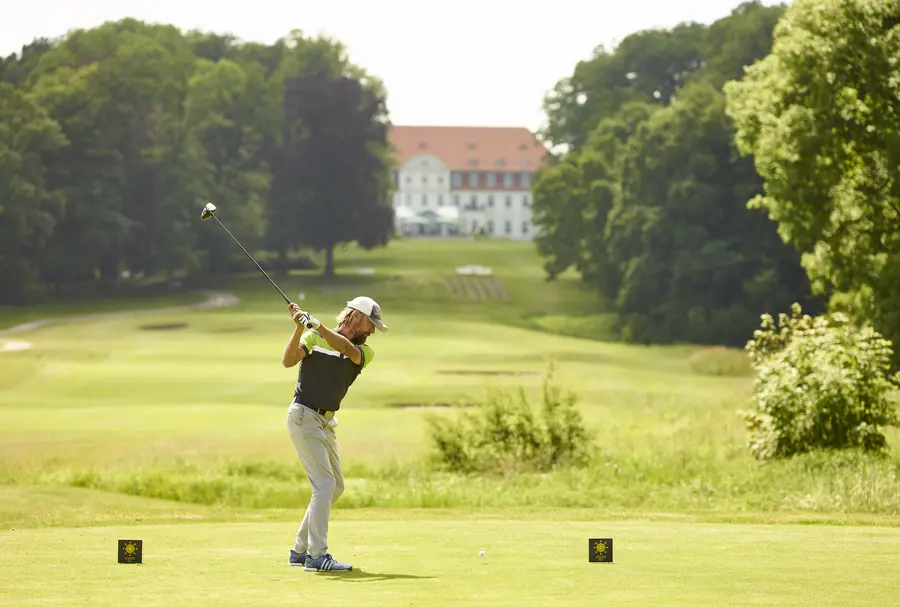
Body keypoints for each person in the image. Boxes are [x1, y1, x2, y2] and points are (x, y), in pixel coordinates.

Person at [281, 295, 388, 572]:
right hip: (304, 415)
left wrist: (316, 325)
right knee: (324, 485)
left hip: (326, 422)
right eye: (371, 324)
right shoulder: (315, 338)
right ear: (357, 317)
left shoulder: (364, 352)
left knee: (334, 486)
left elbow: (344, 347)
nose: (373, 330)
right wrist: (299, 328)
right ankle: (316, 556)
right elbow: (288, 361)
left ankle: (299, 550)